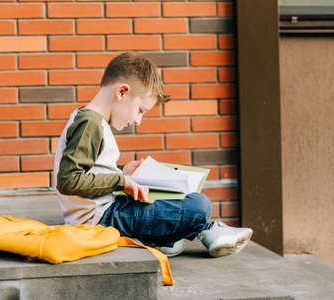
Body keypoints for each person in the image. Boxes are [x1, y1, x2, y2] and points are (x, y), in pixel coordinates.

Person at [53, 52, 252, 257]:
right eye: (140, 110)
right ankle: (204, 231)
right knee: (199, 205)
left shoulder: (89, 120)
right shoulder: (90, 124)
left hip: (105, 212)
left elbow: (87, 171)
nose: (138, 121)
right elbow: (69, 181)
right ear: (122, 92)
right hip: (101, 219)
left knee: (178, 200)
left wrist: (124, 173)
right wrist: (121, 181)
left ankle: (171, 237)